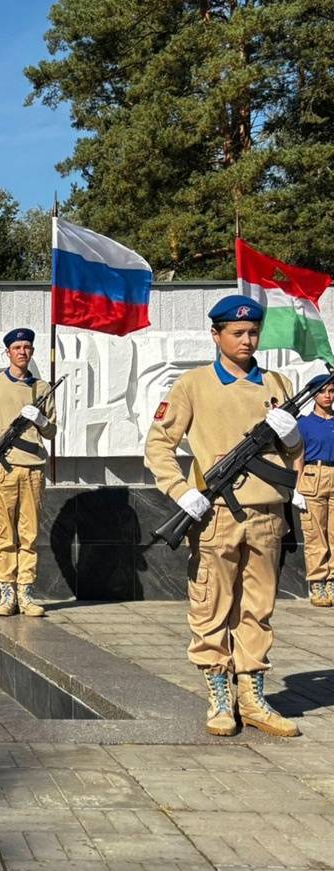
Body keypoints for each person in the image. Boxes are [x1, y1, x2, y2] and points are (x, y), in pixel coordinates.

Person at [144, 294, 302, 737]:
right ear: (216, 335)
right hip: (215, 515)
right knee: (212, 605)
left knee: (258, 608)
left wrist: (291, 441)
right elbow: (158, 444)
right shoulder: (192, 385)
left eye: (253, 332)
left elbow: (294, 454)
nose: (247, 339)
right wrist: (180, 491)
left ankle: (252, 697)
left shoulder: (276, 382)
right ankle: (219, 696)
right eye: (237, 333)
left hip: (268, 515)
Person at [0, 328, 58, 617]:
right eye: (17, 347)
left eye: (27, 347)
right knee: (4, 533)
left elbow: (53, 431)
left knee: (29, 535)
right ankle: (7, 594)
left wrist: (41, 419)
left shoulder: (42, 389)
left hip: (33, 470)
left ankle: (26, 593)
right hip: (2, 470)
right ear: (8, 352)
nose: (22, 352)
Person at [295, 374, 334, 608]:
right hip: (313, 476)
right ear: (313, 395)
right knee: (315, 534)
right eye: (323, 391)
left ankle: (332, 580)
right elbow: (298, 455)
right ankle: (318, 581)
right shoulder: (304, 424)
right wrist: (297, 486)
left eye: (331, 391)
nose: (328, 396)